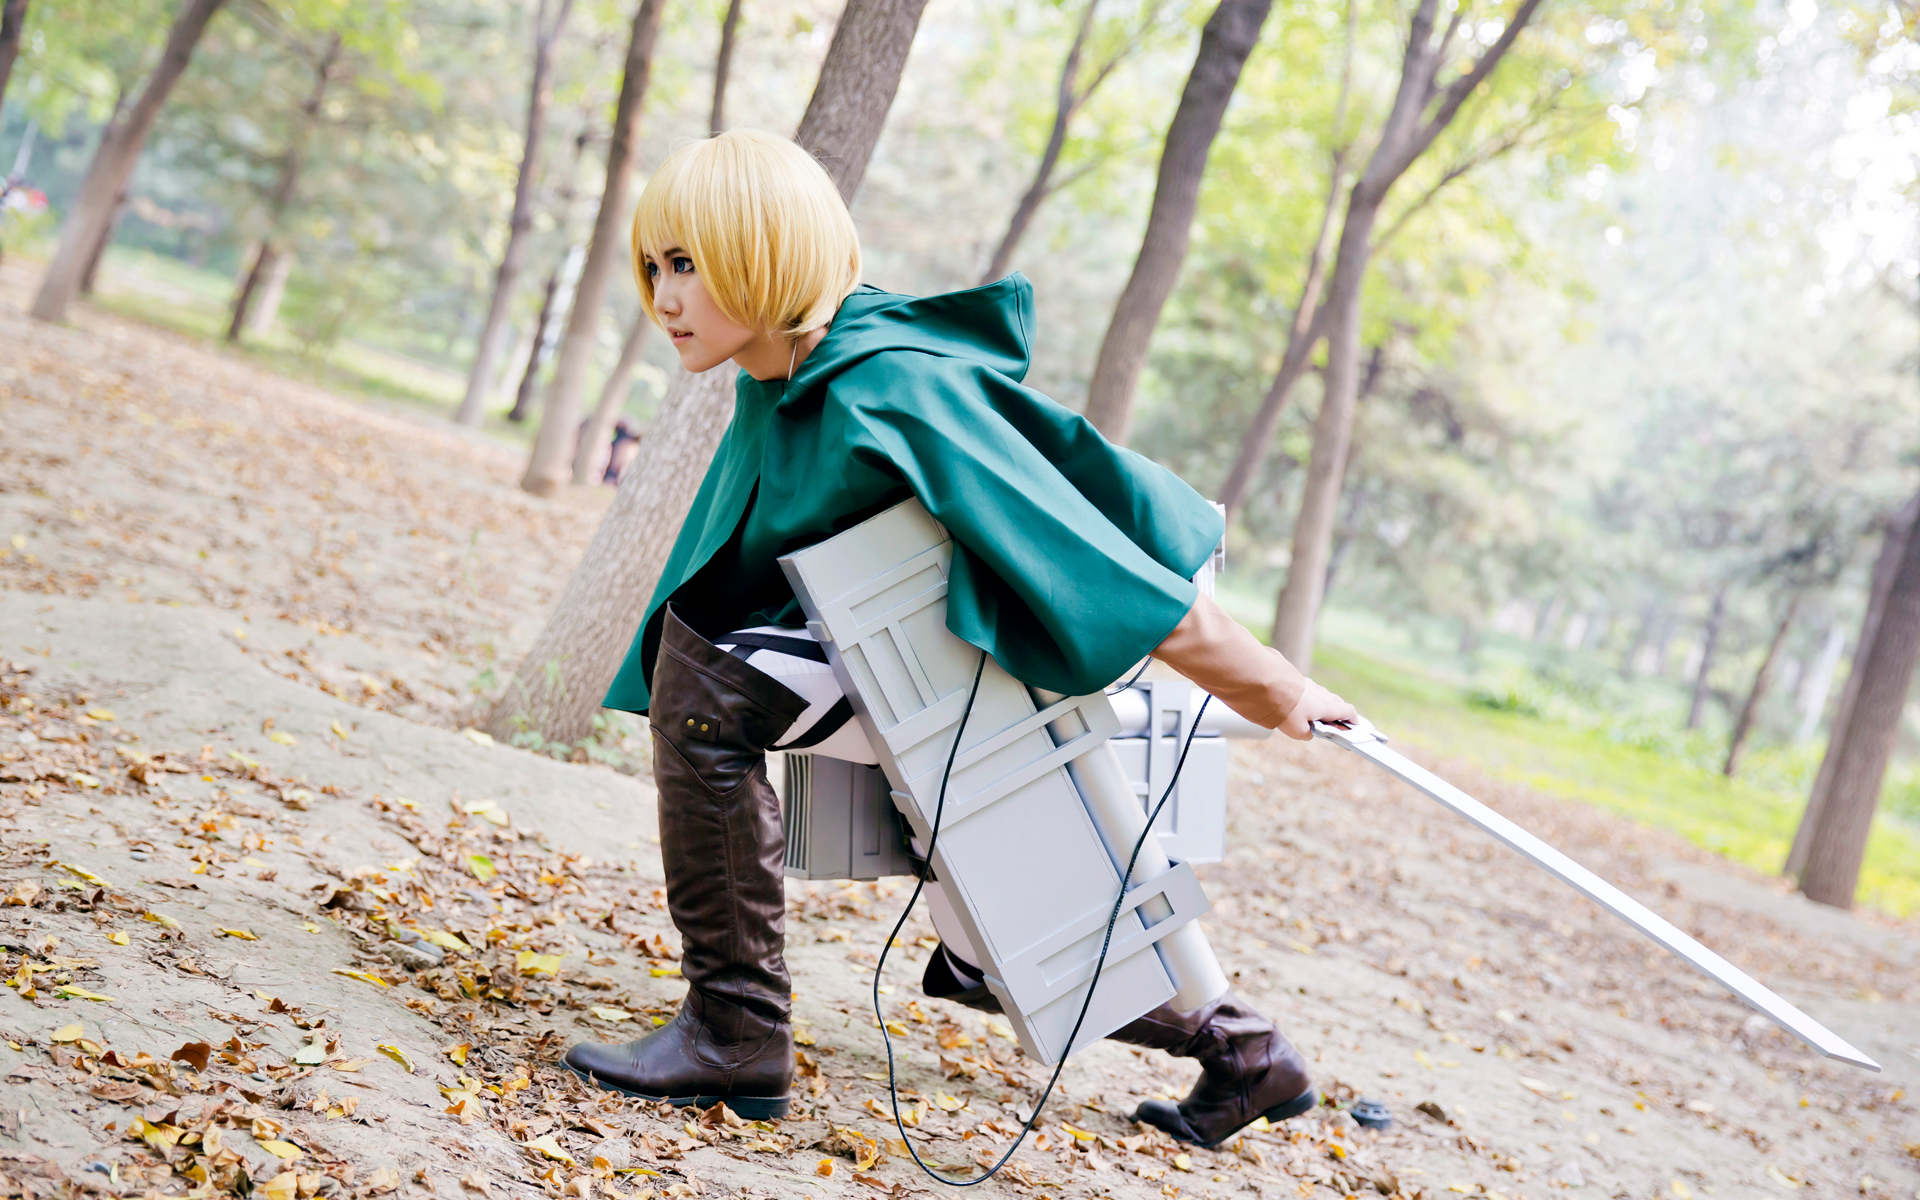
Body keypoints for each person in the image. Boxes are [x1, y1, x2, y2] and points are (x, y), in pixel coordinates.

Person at [562, 129, 1359, 1148]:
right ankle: (1246, 1053)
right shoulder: (780, 373)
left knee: (713, 698)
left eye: (688, 264)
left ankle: (735, 1032)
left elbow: (1088, 557)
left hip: (981, 676)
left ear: (769, 251)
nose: (665, 296)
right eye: (655, 267)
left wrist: (1278, 688)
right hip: (901, 666)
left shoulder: (892, 383)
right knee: (989, 937)